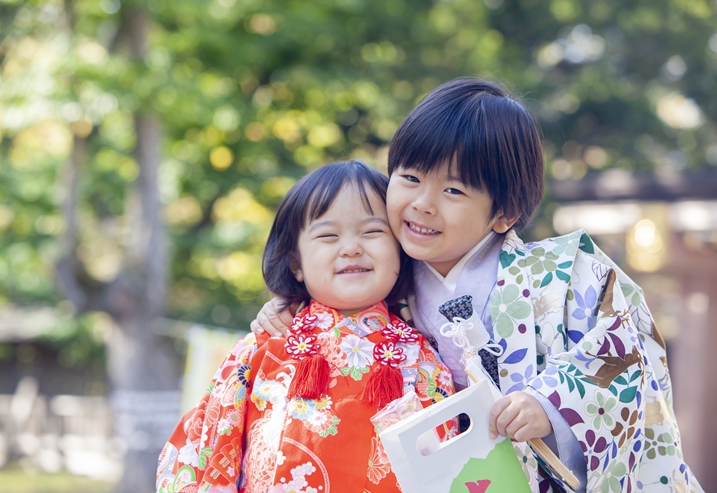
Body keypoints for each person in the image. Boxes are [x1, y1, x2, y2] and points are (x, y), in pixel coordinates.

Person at [251, 79, 702, 493]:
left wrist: (550, 405)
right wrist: (293, 307)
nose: (422, 204)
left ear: (503, 213)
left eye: (454, 191)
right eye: (409, 178)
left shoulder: (566, 272)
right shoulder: (389, 280)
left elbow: (627, 357)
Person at [157, 161, 456, 493]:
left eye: (372, 232)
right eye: (328, 235)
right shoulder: (262, 346)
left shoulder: (423, 358)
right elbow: (208, 444)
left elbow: (449, 469)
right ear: (296, 263)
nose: (352, 247)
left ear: (400, 249)